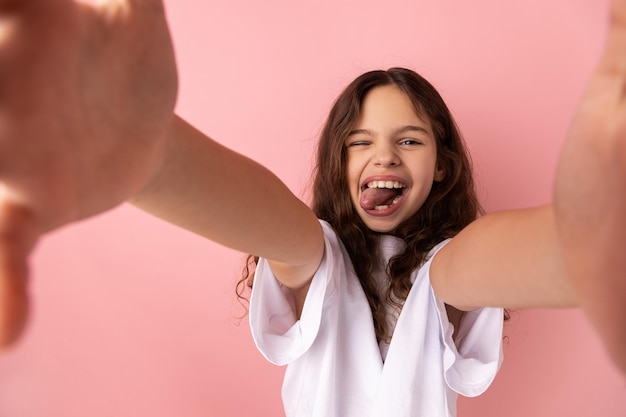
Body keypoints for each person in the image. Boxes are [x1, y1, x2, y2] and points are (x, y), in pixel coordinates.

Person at [0, 0, 623, 416]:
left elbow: (482, 263)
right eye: (360, 143)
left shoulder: (450, 270)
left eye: (409, 141)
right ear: (337, 163)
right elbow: (283, 231)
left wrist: (599, 242)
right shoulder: (317, 255)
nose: (385, 157)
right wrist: (155, 156)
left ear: (442, 167)